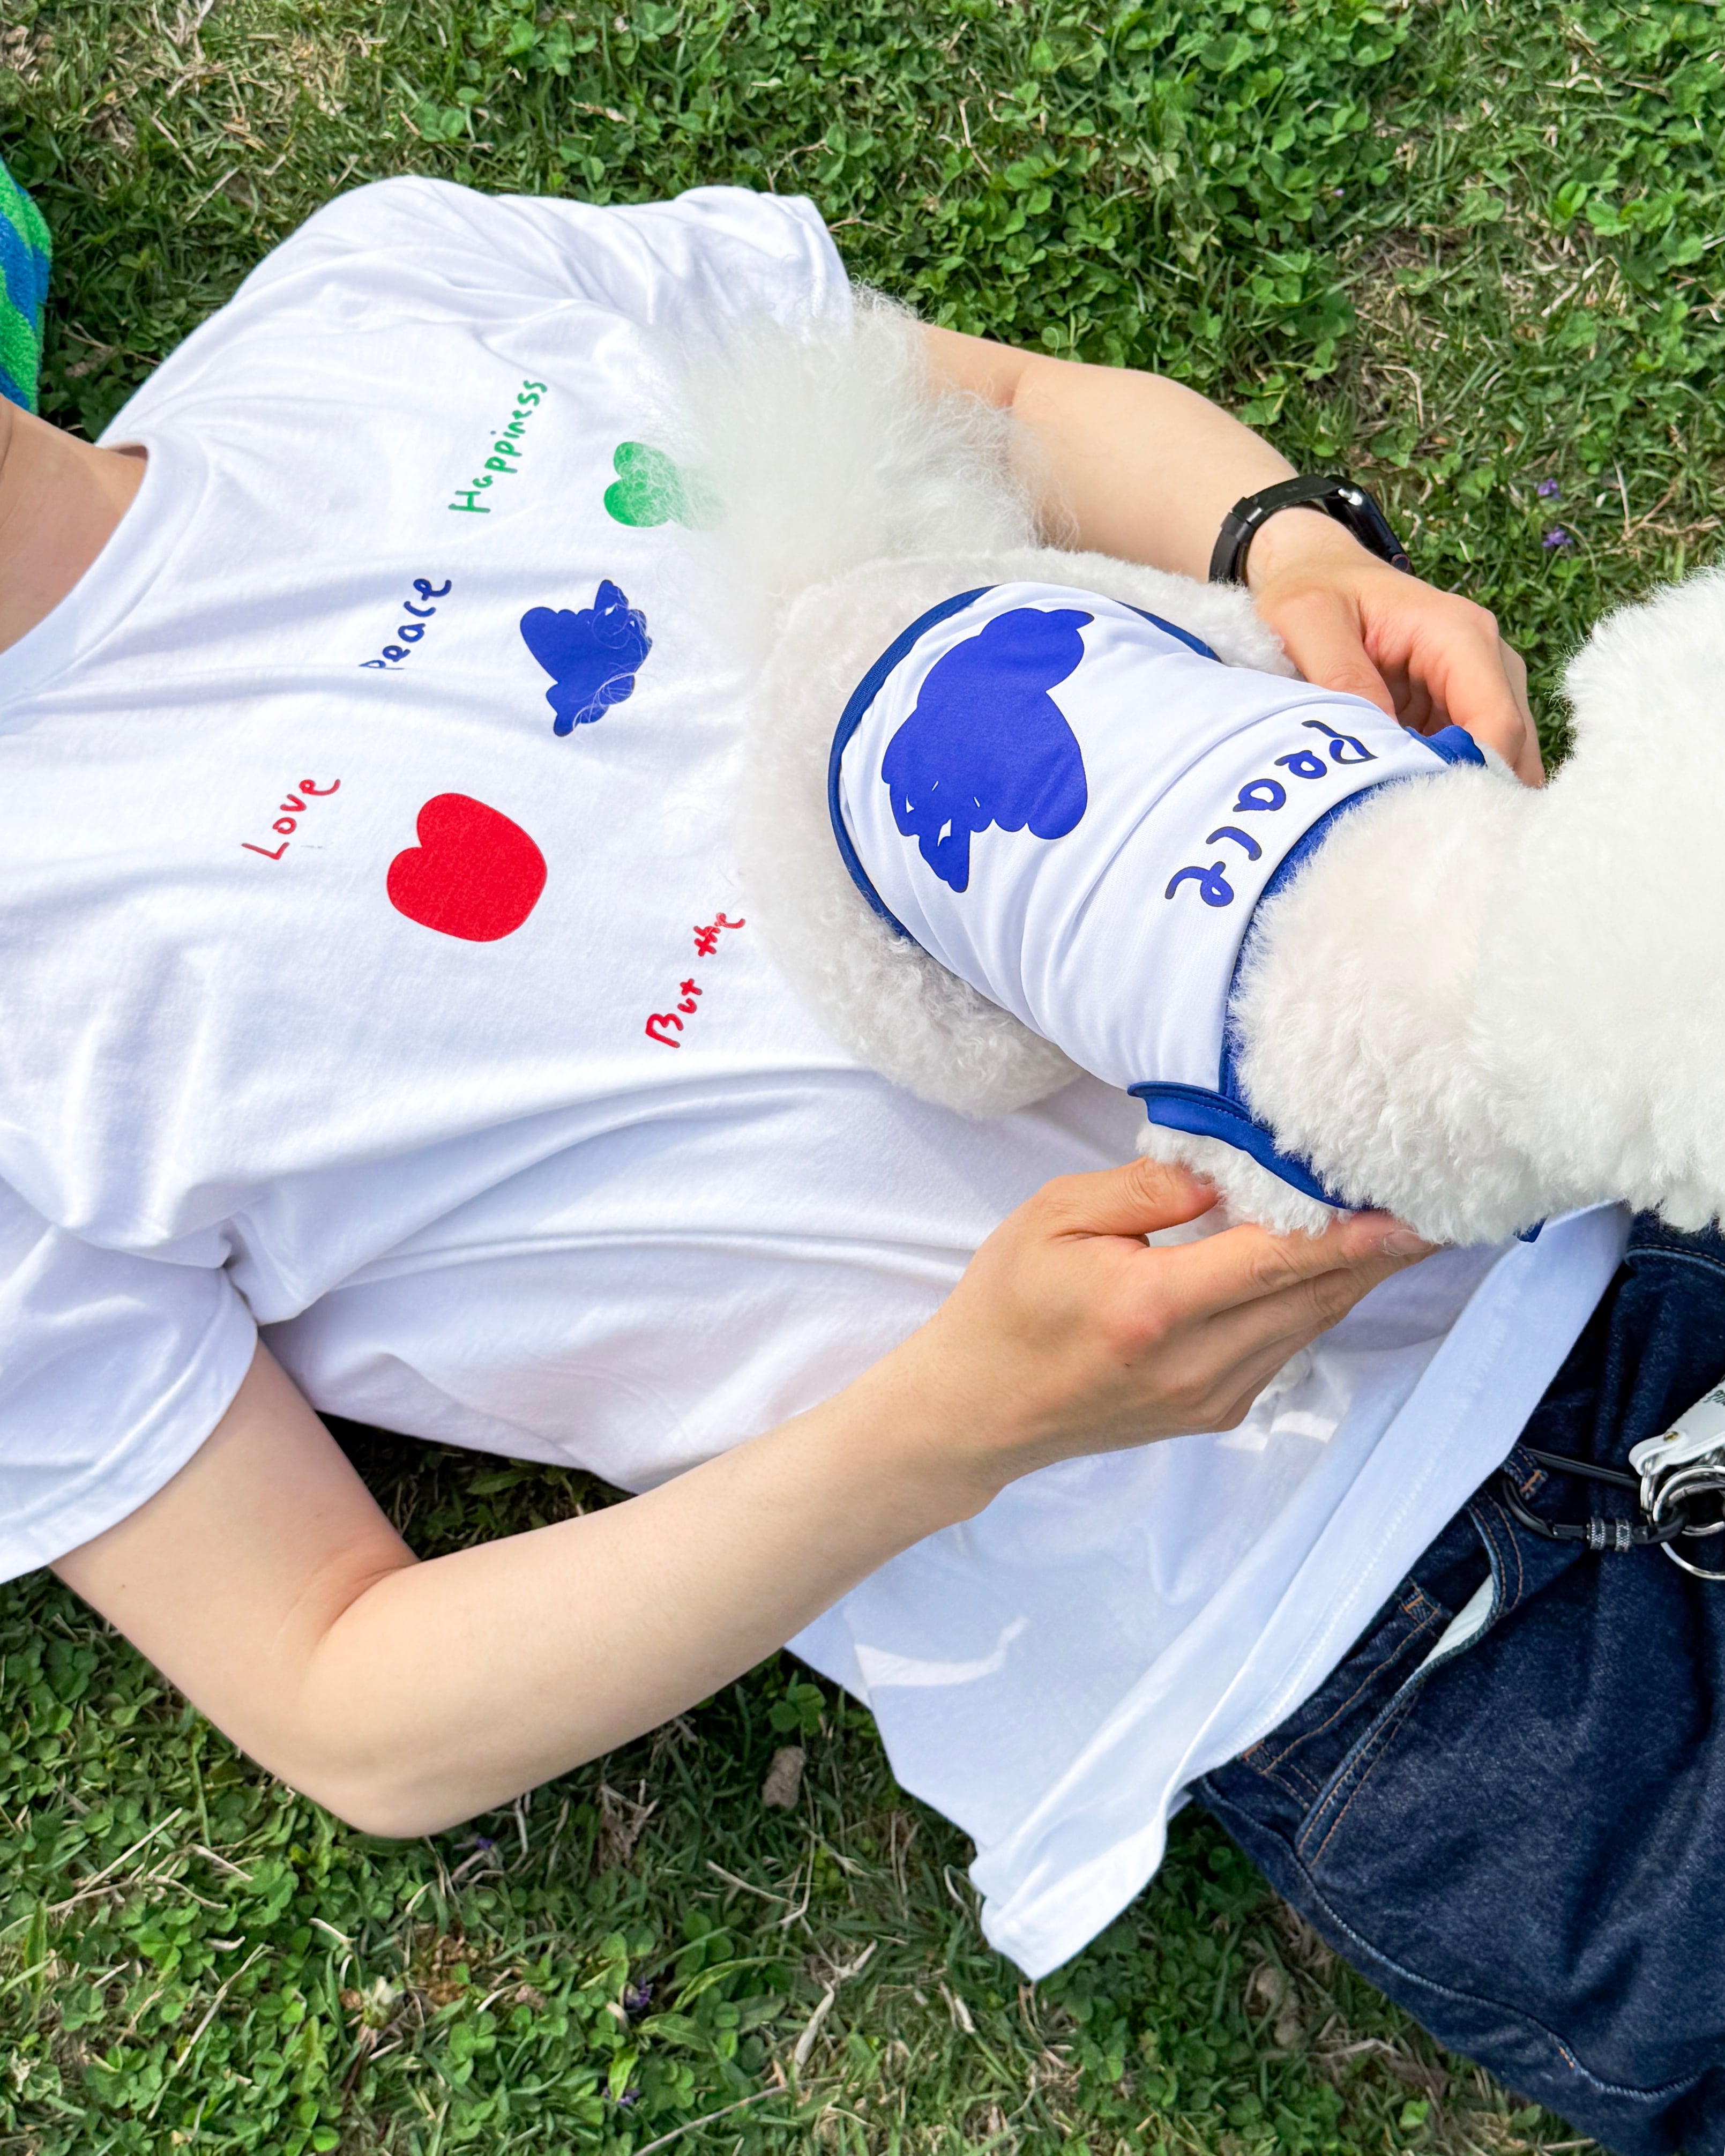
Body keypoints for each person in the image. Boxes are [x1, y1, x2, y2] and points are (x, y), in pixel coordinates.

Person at [11, 170, 1684, 2152]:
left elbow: (1018, 410)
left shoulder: (393, 282)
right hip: (1374, 1614)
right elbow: (344, 1701)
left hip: (1584, 1063)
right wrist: (960, 1423)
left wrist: (1286, 538)